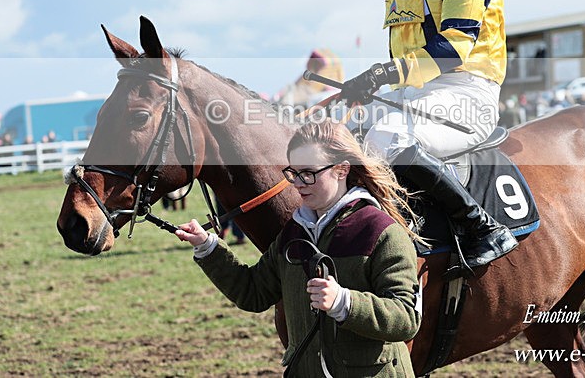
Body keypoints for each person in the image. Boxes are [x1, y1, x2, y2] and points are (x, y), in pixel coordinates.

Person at [344, 0, 517, 270]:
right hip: (413, 94)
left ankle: (482, 227)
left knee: (385, 140)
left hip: (466, 92)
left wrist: (381, 75)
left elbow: (454, 47)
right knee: (335, 138)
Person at [176, 121, 421, 377]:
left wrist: (344, 302)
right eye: (293, 173)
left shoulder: (381, 231)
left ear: (342, 169)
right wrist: (207, 246)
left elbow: (406, 319)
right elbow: (253, 293)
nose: (299, 183)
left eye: (309, 173)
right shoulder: (293, 232)